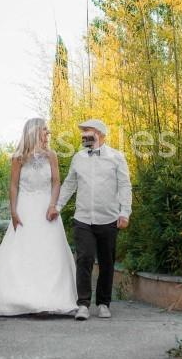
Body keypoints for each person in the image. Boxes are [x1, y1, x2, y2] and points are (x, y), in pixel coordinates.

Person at [0, 118, 76, 316]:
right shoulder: (19, 157)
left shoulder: (51, 156)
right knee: (22, 250)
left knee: (50, 252)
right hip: (26, 208)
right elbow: (13, 185)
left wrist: (53, 205)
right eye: (45, 130)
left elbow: (56, 182)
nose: (48, 134)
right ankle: (18, 297)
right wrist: (13, 211)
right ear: (35, 132)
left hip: (47, 209)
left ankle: (51, 298)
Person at [51, 118, 132, 320]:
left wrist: (125, 212)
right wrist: (57, 206)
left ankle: (104, 303)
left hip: (109, 218)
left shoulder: (117, 157)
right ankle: (83, 304)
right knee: (84, 259)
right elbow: (69, 184)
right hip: (83, 218)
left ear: (100, 134)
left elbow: (124, 185)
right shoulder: (78, 157)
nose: (83, 134)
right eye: (83, 131)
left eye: (87, 131)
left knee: (107, 262)